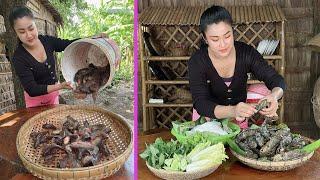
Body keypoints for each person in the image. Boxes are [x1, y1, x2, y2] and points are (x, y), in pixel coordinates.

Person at [188, 5, 286, 127]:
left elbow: (275, 78)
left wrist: (274, 96)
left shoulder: (246, 53)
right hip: (208, 118)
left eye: (227, 36)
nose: (223, 44)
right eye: (215, 39)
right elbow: (200, 103)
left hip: (239, 118)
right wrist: (233, 110)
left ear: (233, 31)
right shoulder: (197, 61)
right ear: (205, 38)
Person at [9, 6, 105, 108]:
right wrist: (60, 86)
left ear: (35, 24)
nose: (28, 35)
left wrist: (92, 38)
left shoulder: (47, 41)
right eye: (22, 32)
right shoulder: (19, 57)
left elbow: (68, 44)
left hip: (53, 97)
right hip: (35, 103)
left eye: (31, 28)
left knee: (54, 122)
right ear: (16, 32)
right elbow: (32, 89)